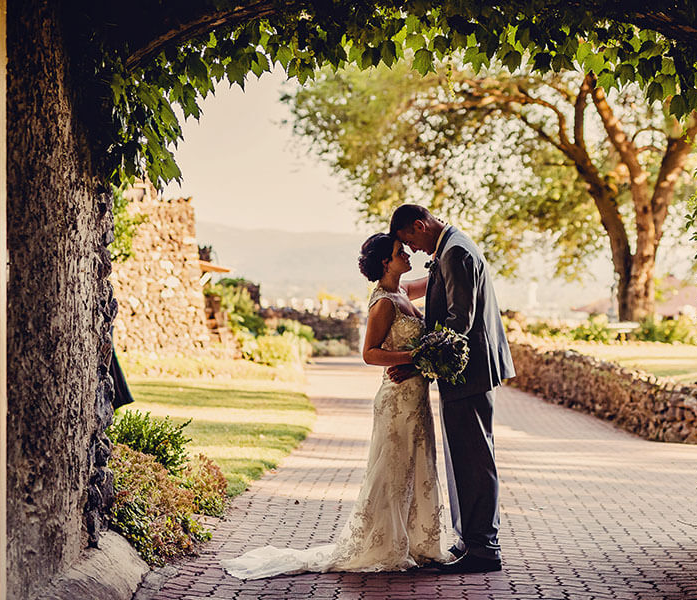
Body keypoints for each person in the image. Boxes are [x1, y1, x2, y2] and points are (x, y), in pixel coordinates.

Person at [221, 233, 452, 579]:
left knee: (417, 466)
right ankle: (386, 542)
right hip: (397, 400)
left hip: (415, 398)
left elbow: (435, 279)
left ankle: (418, 541)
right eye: (399, 252)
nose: (406, 254)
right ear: (386, 264)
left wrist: (445, 255)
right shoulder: (384, 303)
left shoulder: (402, 291)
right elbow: (370, 353)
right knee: (392, 471)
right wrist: (417, 356)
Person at [389, 204, 515, 575]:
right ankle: (470, 540)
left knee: (474, 458)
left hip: (468, 372)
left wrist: (416, 361)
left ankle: (483, 547)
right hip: (462, 373)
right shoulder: (451, 247)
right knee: (465, 457)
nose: (412, 249)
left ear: (419, 225)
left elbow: (459, 323)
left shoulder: (456, 251)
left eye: (409, 240)